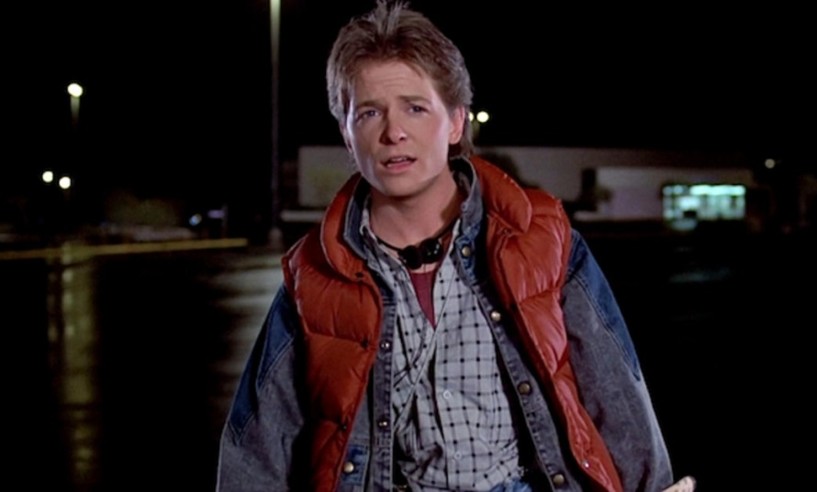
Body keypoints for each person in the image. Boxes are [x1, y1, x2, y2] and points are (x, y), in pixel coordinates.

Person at [216, 1, 695, 491]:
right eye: (370, 113)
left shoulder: (539, 237)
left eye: (415, 108)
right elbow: (258, 446)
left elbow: (616, 393)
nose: (394, 132)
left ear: (455, 122)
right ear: (347, 132)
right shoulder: (315, 274)